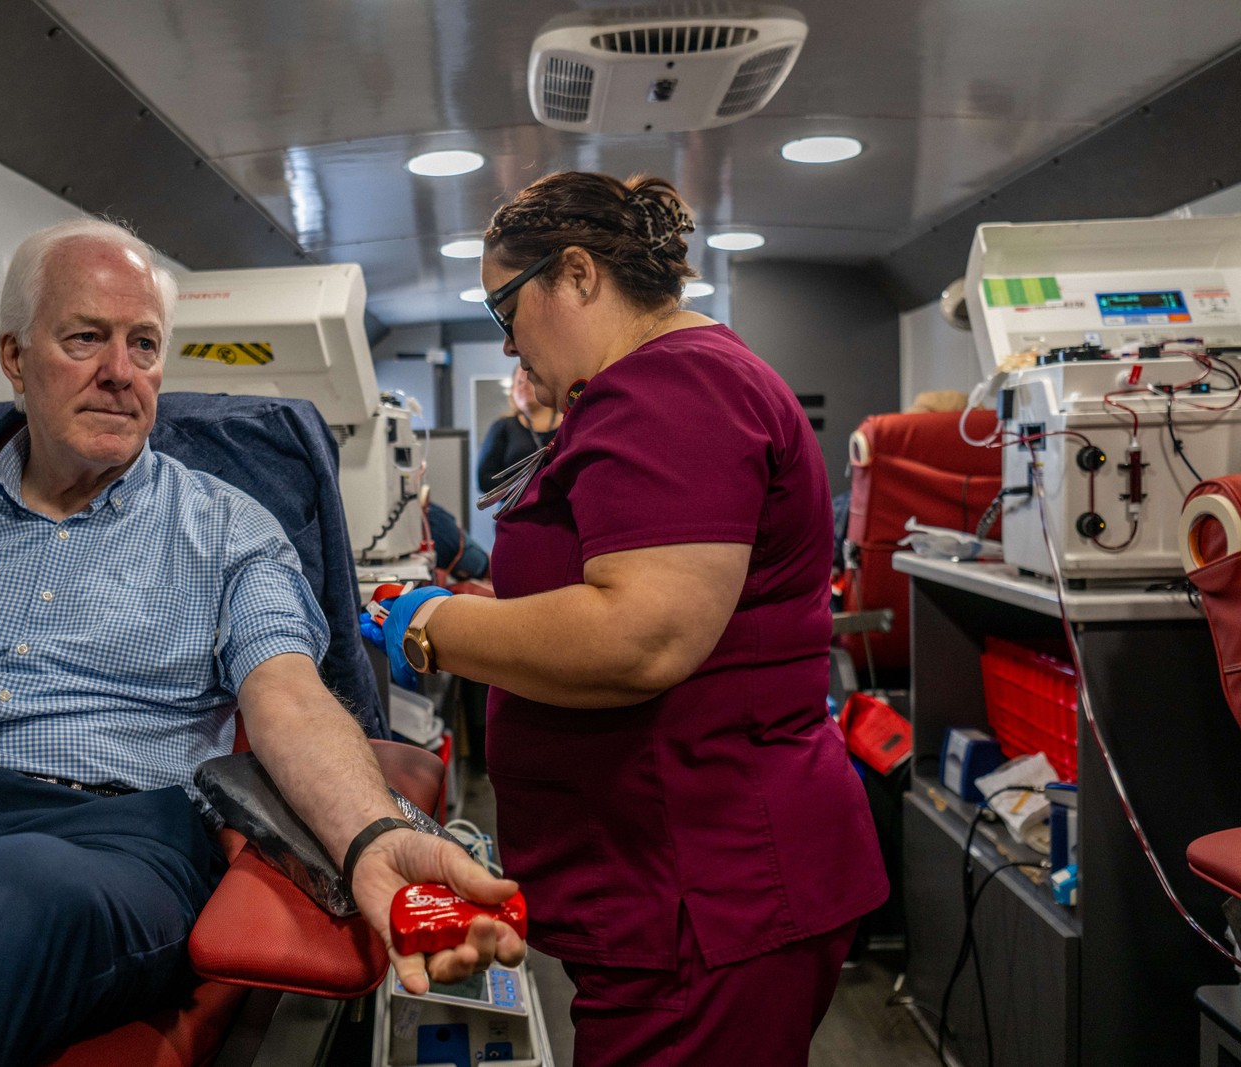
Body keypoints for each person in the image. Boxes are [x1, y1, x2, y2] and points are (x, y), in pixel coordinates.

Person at [0, 218, 523, 1067]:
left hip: (94, 847)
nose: (121, 372)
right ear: (13, 358)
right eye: (85, 338)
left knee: (6, 893)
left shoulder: (227, 529)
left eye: (143, 344)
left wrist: (368, 833)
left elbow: (287, 694)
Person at [379, 173, 888, 1066]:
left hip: (709, 881)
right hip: (677, 876)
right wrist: (485, 607)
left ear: (575, 274)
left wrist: (431, 626)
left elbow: (640, 636)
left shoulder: (675, 388)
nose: (509, 345)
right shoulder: (656, 387)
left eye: (507, 308)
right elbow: (621, 587)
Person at [476, 364, 561, 494]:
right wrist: (525, 493)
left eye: (529, 380)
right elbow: (484, 479)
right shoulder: (503, 427)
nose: (523, 386)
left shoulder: (569, 422)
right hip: (516, 510)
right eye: (519, 382)